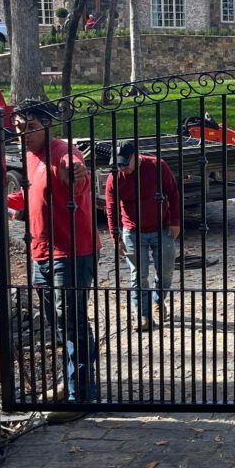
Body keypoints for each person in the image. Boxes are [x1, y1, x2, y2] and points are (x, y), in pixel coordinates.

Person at [14, 100, 101, 402]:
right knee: (58, 321)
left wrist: (77, 175)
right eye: (19, 128)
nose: (24, 133)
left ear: (47, 125)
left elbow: (79, 178)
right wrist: (12, 204)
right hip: (42, 253)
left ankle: (82, 395)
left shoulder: (64, 153)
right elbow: (30, 194)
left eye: (31, 127)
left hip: (71, 252)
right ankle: (74, 380)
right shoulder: (30, 156)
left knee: (72, 320)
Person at [105, 142, 181, 331]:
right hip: (132, 231)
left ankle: (158, 299)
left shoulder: (157, 166)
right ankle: (143, 314)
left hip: (161, 227)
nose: (122, 168)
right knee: (138, 275)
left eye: (124, 163)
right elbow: (111, 208)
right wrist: (116, 236)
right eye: (118, 164)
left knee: (166, 270)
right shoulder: (114, 177)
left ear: (136, 156)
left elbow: (172, 192)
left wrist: (175, 221)